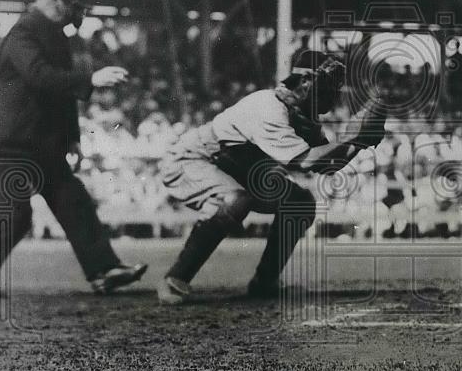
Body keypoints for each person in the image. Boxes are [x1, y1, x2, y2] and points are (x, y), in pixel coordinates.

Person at [0, 0, 147, 297]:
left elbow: (60, 94)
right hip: (11, 142)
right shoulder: (24, 31)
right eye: (75, 2)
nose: (80, 10)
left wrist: (72, 138)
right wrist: (91, 79)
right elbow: (40, 77)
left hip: (39, 140)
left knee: (73, 200)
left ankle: (104, 270)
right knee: (17, 214)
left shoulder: (52, 34)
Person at [155, 50, 387, 305]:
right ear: (305, 81)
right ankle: (175, 279)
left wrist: (359, 143)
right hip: (192, 159)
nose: (332, 92)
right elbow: (306, 161)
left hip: (235, 169)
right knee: (233, 200)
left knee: (299, 202)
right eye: (326, 84)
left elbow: (329, 166)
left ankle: (265, 282)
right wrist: (350, 137)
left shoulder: (303, 116)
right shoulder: (269, 107)